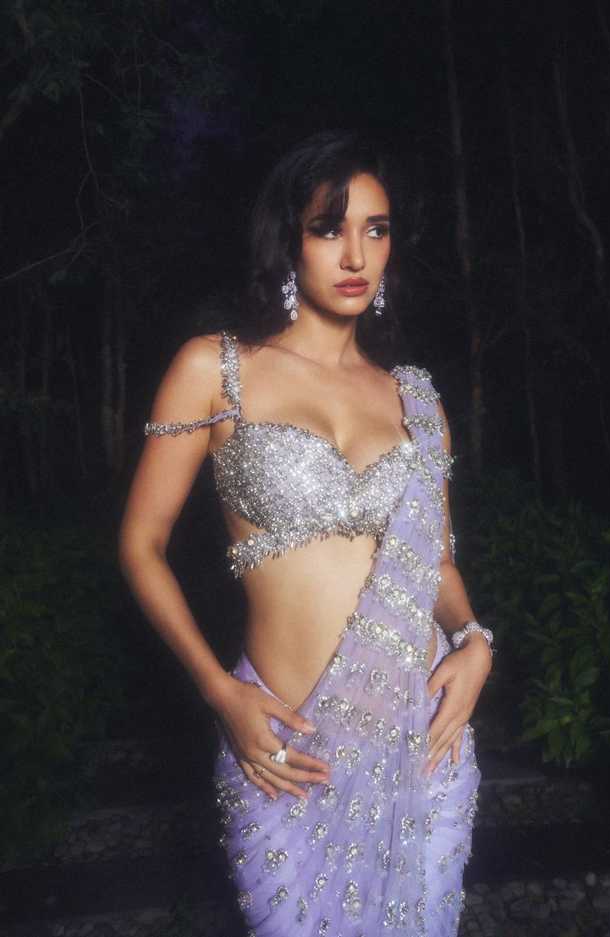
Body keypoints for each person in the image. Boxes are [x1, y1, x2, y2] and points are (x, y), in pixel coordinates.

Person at [119, 130, 494, 937]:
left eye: (376, 229)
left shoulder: (417, 398)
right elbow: (140, 546)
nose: (356, 254)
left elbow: (435, 560)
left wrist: (474, 640)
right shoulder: (214, 369)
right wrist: (219, 690)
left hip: (422, 745)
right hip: (284, 752)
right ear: (288, 240)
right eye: (329, 228)